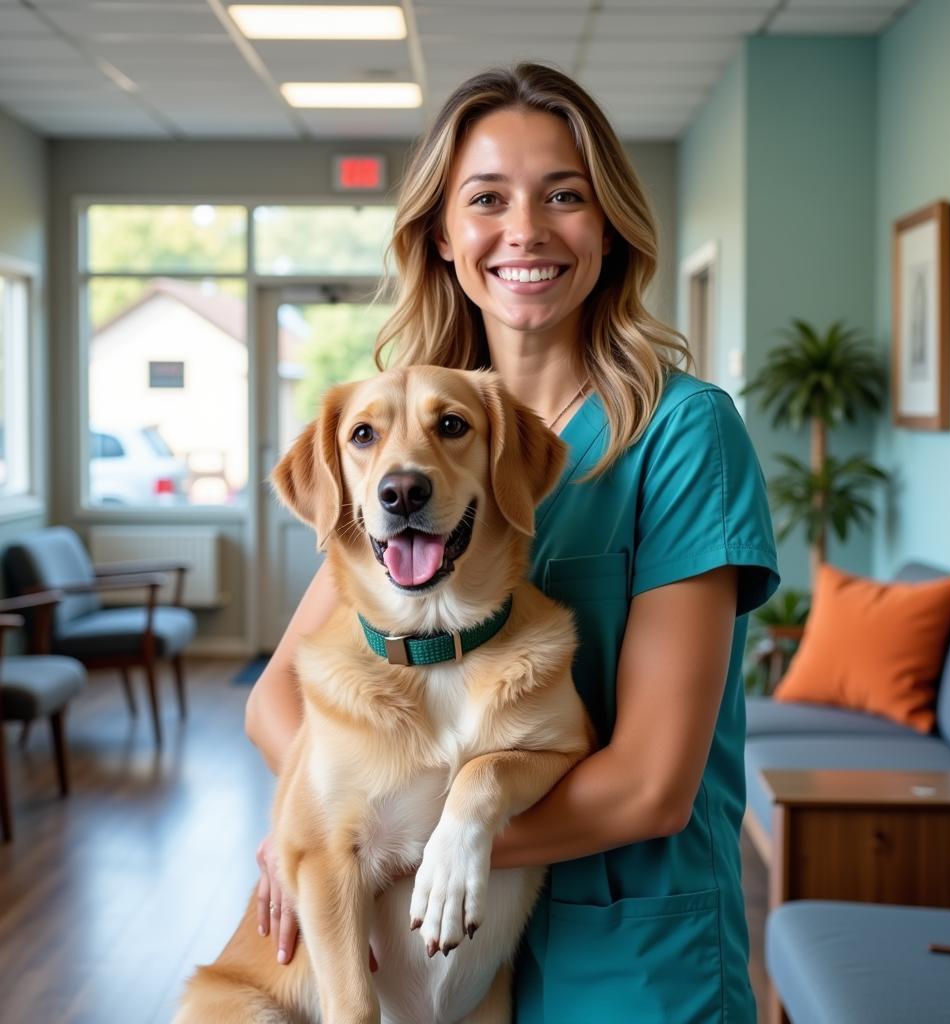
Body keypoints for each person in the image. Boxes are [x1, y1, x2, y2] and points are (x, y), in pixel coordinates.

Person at [245, 62, 779, 1023]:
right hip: (428, 972)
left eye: (564, 196)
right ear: (443, 236)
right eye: (487, 199)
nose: (525, 230)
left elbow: (654, 787)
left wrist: (434, 840)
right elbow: (276, 700)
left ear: (607, 226)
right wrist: (318, 839)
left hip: (627, 960)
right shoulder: (409, 439)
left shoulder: (684, 434)